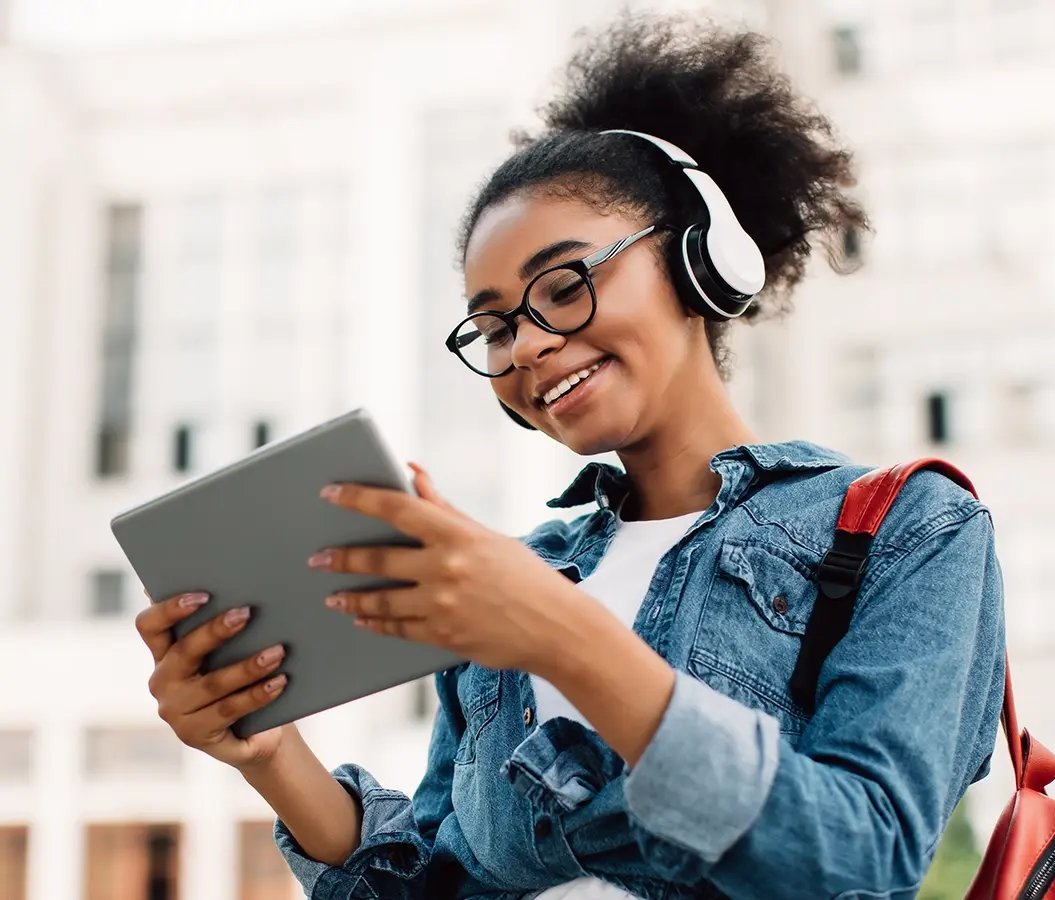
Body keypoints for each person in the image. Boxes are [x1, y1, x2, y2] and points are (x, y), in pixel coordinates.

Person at [135, 12, 1007, 900]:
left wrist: (562, 635)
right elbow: (446, 886)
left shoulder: (908, 530)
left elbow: (861, 856)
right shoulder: (511, 580)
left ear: (699, 263)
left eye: (564, 286)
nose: (528, 346)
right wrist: (272, 755)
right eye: (495, 326)